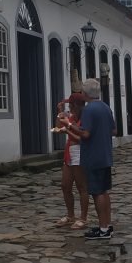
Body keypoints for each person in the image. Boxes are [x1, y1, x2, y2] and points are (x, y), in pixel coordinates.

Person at [67, 77, 116, 240]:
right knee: (105, 191)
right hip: (105, 154)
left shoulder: (89, 110)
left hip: (93, 156)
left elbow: (86, 133)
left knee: (97, 193)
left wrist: (70, 126)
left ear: (85, 93)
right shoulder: (106, 108)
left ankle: (102, 229)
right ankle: (107, 226)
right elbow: (114, 131)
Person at [54, 93, 89, 228]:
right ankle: (70, 215)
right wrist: (60, 113)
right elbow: (58, 127)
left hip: (80, 153)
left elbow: (81, 139)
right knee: (65, 185)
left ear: (76, 105)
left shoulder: (85, 119)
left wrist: (67, 131)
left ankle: (83, 218)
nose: (70, 107)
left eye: (70, 105)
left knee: (82, 187)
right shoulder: (73, 117)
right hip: (69, 152)